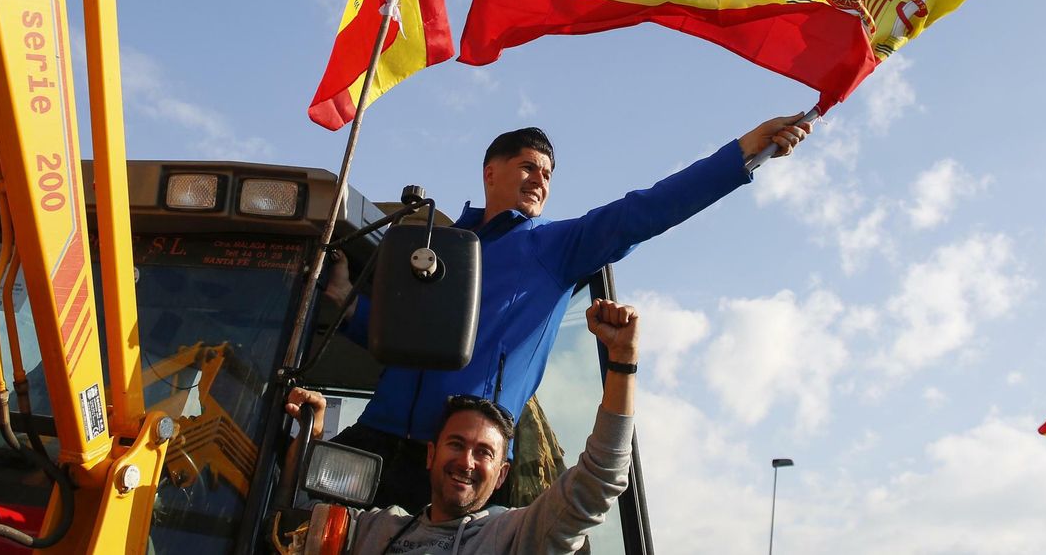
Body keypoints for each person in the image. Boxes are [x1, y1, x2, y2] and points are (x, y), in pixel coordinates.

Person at [330, 114, 810, 508]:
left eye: (547, 174)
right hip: (374, 440)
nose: (540, 179)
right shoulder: (439, 249)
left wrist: (742, 153)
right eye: (528, 166)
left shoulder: (555, 248)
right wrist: (344, 304)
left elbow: (646, 211)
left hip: (465, 466)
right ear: (489, 173)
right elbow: (405, 338)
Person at [288, 299, 641, 554]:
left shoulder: (515, 538)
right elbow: (295, 516)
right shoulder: (374, 530)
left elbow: (599, 481)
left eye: (484, 452)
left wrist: (622, 363)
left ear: (502, 475)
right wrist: (309, 432)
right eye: (456, 444)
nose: (466, 461)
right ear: (431, 454)